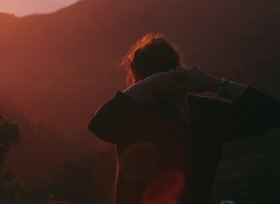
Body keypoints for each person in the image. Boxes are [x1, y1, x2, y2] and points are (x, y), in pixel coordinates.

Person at [88, 33, 280, 204]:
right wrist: (155, 82)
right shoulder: (139, 116)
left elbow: (271, 114)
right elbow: (99, 124)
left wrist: (212, 83)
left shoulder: (205, 113)